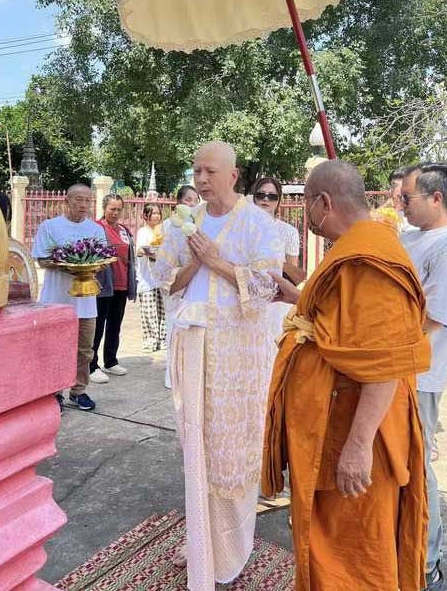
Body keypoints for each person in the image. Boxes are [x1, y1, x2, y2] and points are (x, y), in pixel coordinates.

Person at [262, 160, 431, 591]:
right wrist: (297, 299)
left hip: (356, 434)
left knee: (355, 552)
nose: (307, 218)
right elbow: (346, 325)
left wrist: (356, 449)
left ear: (323, 203)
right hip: (330, 421)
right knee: (326, 542)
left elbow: (385, 362)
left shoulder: (369, 257)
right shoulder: (353, 247)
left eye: (306, 207)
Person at [154, 141, 283, 590]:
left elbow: (269, 286)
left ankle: (231, 549)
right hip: (193, 348)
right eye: (196, 171)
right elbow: (167, 282)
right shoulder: (184, 224)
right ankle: (201, 543)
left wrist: (216, 261)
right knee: (197, 447)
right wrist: (194, 262)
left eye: (210, 171)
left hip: (239, 357)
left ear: (234, 175)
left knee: (232, 447)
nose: (201, 179)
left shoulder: (258, 222)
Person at [400, 162, 447, 591]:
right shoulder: (412, 238)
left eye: (407, 198)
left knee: (418, 469)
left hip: (420, 377)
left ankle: (427, 564)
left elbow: (433, 320)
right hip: (395, 373)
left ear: (436, 198)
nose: (400, 203)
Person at [32, 184, 107, 412]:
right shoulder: (50, 226)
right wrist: (71, 264)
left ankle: (79, 391)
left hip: (86, 302)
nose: (83, 205)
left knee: (85, 350)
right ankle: (55, 393)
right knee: (56, 348)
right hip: (55, 301)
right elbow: (41, 259)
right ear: (67, 200)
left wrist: (88, 267)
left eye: (87, 200)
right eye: (78, 200)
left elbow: (102, 260)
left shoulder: (95, 230)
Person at [89, 194, 137, 383]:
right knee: (97, 326)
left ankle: (111, 360)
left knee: (115, 325)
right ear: (104, 208)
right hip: (103, 286)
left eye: (118, 209)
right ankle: (91, 365)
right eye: (112, 209)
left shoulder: (125, 231)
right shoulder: (96, 228)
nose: (115, 213)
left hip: (122, 284)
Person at [252, 175, 301, 358]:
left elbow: (292, 271)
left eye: (272, 196)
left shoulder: (288, 232)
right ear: (254, 196)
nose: (265, 199)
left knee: (272, 353)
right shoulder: (242, 228)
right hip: (244, 294)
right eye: (261, 194)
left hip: (275, 299)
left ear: (278, 200)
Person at [161, 184, 200, 389]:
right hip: (176, 283)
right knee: (173, 330)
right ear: (179, 202)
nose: (192, 203)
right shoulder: (170, 225)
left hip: (194, 285)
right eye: (188, 200)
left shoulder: (198, 224)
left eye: (195, 200)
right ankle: (171, 376)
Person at [135, 203, 167, 352]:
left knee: (162, 309)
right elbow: (139, 250)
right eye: (153, 213)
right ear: (146, 216)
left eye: (158, 213)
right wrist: (147, 251)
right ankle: (150, 340)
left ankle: (162, 339)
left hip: (161, 277)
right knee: (149, 310)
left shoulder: (162, 231)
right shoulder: (143, 232)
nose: (157, 216)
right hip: (147, 277)